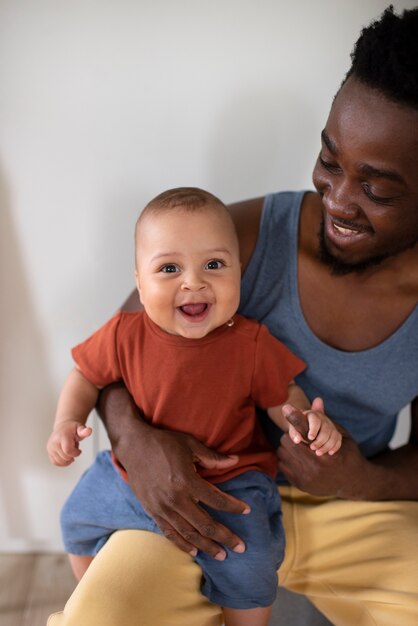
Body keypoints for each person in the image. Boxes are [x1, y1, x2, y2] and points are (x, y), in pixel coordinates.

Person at [47, 6, 418, 626]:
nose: (338, 199)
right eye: (330, 160)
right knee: (98, 616)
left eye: (377, 189)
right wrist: (139, 444)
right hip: (195, 491)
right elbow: (122, 348)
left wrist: (356, 480)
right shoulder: (241, 232)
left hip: (348, 507)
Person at [47, 187, 342, 626]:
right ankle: (91, 589)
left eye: (214, 265)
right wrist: (67, 423)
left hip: (232, 482)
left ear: (239, 271)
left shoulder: (251, 343)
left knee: (250, 561)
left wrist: (306, 422)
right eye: (169, 268)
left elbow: (284, 396)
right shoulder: (123, 334)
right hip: (133, 474)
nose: (194, 282)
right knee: (76, 518)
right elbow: (86, 376)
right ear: (140, 283)